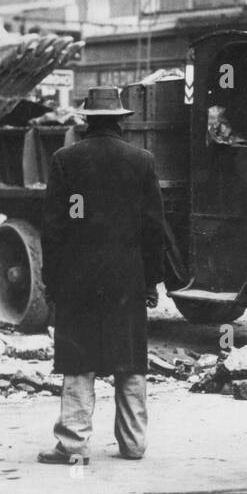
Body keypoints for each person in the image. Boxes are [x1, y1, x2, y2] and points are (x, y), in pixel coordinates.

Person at [38, 86, 167, 465]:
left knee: (79, 358)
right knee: (129, 359)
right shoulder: (141, 161)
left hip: (78, 277)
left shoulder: (66, 161)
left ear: (86, 122)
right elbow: (153, 227)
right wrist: (150, 281)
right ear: (121, 122)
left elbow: (55, 228)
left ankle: (74, 445)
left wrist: (52, 281)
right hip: (126, 276)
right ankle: (134, 443)